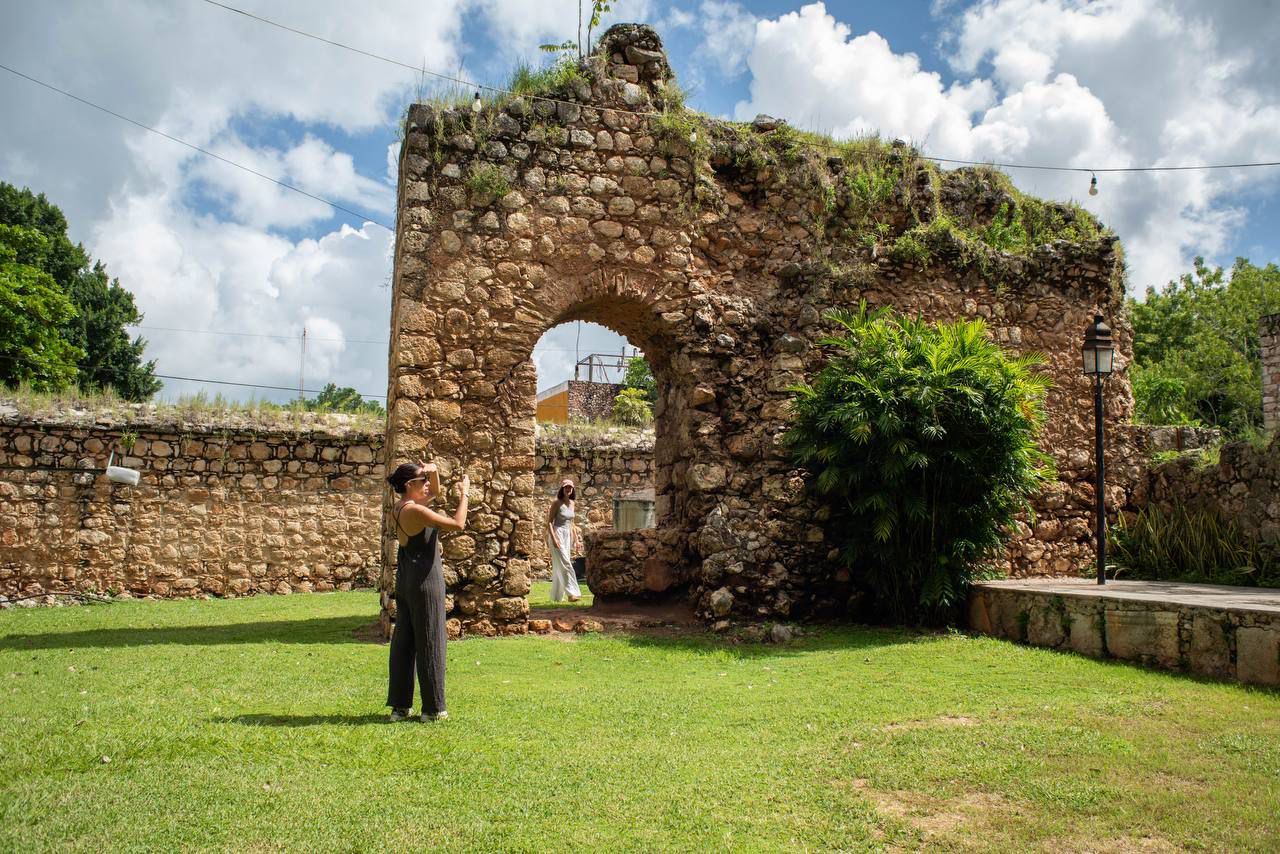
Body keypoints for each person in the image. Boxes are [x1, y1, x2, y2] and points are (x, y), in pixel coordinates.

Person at [385, 461, 469, 722]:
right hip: (425, 581)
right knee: (431, 640)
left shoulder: (401, 507)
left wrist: (432, 474)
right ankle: (433, 709)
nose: (426, 485)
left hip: (406, 580)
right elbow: (458, 524)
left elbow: (436, 492)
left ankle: (400, 707)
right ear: (410, 485)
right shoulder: (417, 512)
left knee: (404, 642)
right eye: (422, 481)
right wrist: (465, 493)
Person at [546, 478, 582, 602]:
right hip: (557, 534)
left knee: (560, 566)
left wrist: (576, 540)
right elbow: (549, 523)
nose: (568, 490)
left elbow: (571, 523)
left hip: (567, 536)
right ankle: (571, 593)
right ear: (562, 489)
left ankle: (556, 596)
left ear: (573, 490)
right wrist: (554, 538)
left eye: (570, 488)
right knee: (566, 563)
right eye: (566, 487)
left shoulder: (572, 503)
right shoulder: (556, 503)